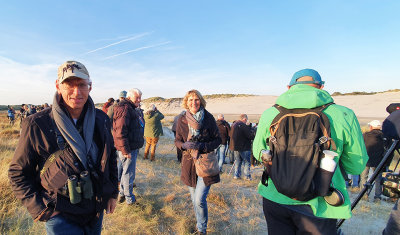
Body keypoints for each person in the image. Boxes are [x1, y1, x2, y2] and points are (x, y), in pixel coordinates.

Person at [253, 68, 368, 235]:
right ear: (321, 87)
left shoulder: (270, 113)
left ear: (289, 87)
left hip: (275, 195)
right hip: (320, 202)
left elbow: (258, 152)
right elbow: (356, 167)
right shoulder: (344, 114)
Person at [8, 60, 118, 235]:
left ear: (90, 87)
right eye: (69, 84)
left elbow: (111, 155)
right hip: (60, 215)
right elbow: (18, 173)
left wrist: (112, 193)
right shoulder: (37, 124)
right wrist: (42, 209)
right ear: (58, 85)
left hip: (95, 208)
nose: (77, 92)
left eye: (82, 84)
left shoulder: (101, 119)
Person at [175, 89, 221, 235]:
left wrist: (202, 146)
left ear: (200, 101)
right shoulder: (181, 119)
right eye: (190, 100)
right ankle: (199, 224)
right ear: (186, 102)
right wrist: (183, 146)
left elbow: (218, 139)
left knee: (200, 199)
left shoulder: (208, 118)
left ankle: (201, 229)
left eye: (196, 99)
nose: (193, 102)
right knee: (194, 199)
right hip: (188, 163)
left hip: (205, 162)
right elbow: (177, 140)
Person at [112, 88, 144, 205]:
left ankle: (121, 193)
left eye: (140, 97)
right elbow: (120, 131)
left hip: (130, 147)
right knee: (128, 173)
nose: (139, 100)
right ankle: (130, 199)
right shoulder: (125, 109)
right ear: (130, 97)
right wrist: (125, 150)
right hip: (128, 148)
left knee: (126, 171)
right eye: (137, 97)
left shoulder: (130, 108)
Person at [360, 120, 385, 202]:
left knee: (364, 177)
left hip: (366, 160)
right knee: (378, 179)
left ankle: (364, 195)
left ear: (371, 127)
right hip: (379, 161)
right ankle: (377, 197)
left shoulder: (365, 135)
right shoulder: (384, 136)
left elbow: (360, 146)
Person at [230, 114, 254, 180]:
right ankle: (246, 176)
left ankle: (236, 175)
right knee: (247, 162)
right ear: (245, 119)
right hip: (244, 147)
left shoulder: (233, 125)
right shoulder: (243, 125)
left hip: (235, 146)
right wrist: (249, 127)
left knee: (238, 161)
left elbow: (230, 135)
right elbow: (250, 136)